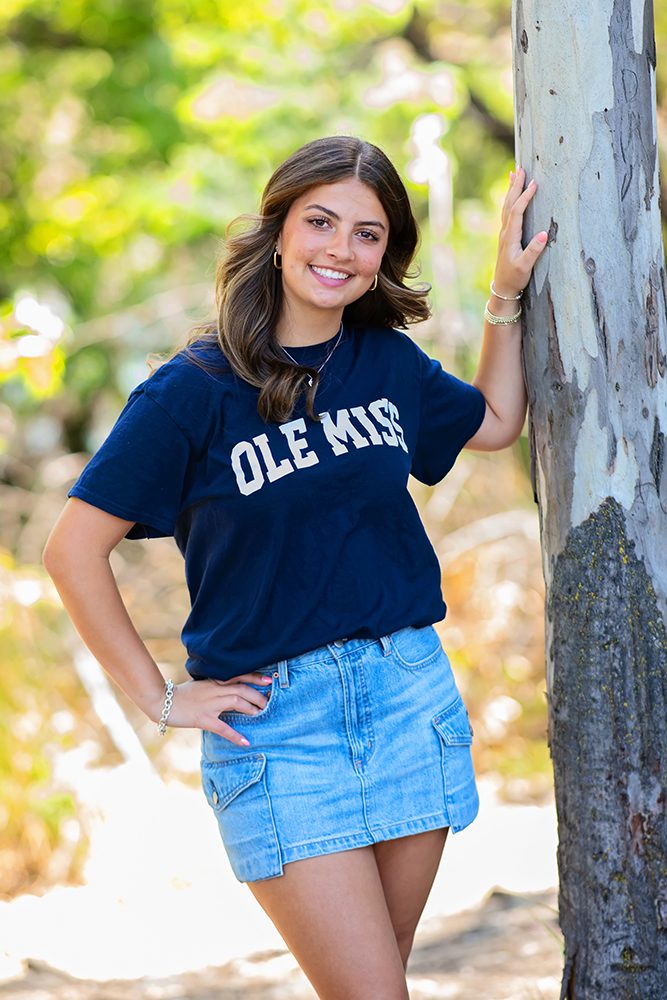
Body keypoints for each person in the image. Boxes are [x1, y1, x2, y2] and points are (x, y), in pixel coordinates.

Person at [43, 135, 546, 1000]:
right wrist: (160, 698)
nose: (340, 251)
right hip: (280, 730)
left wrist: (505, 290)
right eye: (320, 222)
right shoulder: (190, 389)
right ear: (277, 231)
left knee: (376, 982)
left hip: (405, 696)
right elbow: (71, 550)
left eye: (367, 234)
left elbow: (496, 421)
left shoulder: (384, 359)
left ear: (385, 254)